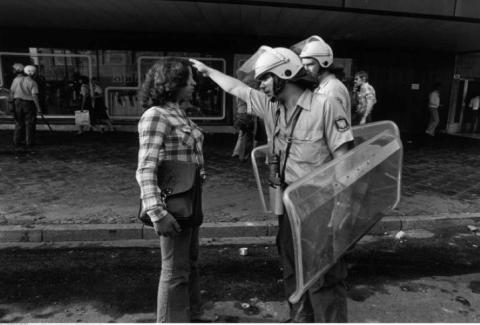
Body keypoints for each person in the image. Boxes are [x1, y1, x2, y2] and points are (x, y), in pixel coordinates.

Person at [191, 46, 354, 322]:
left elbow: (345, 160)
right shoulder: (272, 106)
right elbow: (238, 89)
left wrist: (342, 210)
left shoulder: (326, 105)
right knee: (291, 264)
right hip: (290, 202)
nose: (261, 84)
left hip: (321, 202)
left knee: (323, 273)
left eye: (265, 78)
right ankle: (301, 317)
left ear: (285, 73)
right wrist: (209, 71)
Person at [136, 58, 206, 323]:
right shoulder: (156, 115)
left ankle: (191, 315)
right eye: (188, 79)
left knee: (189, 264)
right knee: (175, 271)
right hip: (173, 205)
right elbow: (146, 168)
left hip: (189, 200)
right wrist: (157, 212)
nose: (193, 83)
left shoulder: (176, 111)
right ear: (172, 83)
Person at [299, 35, 351, 122]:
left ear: (324, 63)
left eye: (310, 64)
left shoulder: (332, 89)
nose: (306, 69)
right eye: (304, 65)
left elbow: (334, 127)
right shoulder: (323, 87)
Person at [9, 64, 42, 149]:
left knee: (18, 123)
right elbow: (34, 96)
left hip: (17, 103)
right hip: (28, 104)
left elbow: (11, 92)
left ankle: (17, 141)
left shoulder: (16, 80)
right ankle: (29, 142)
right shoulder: (32, 82)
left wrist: (11, 104)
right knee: (29, 123)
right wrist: (38, 108)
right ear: (32, 73)